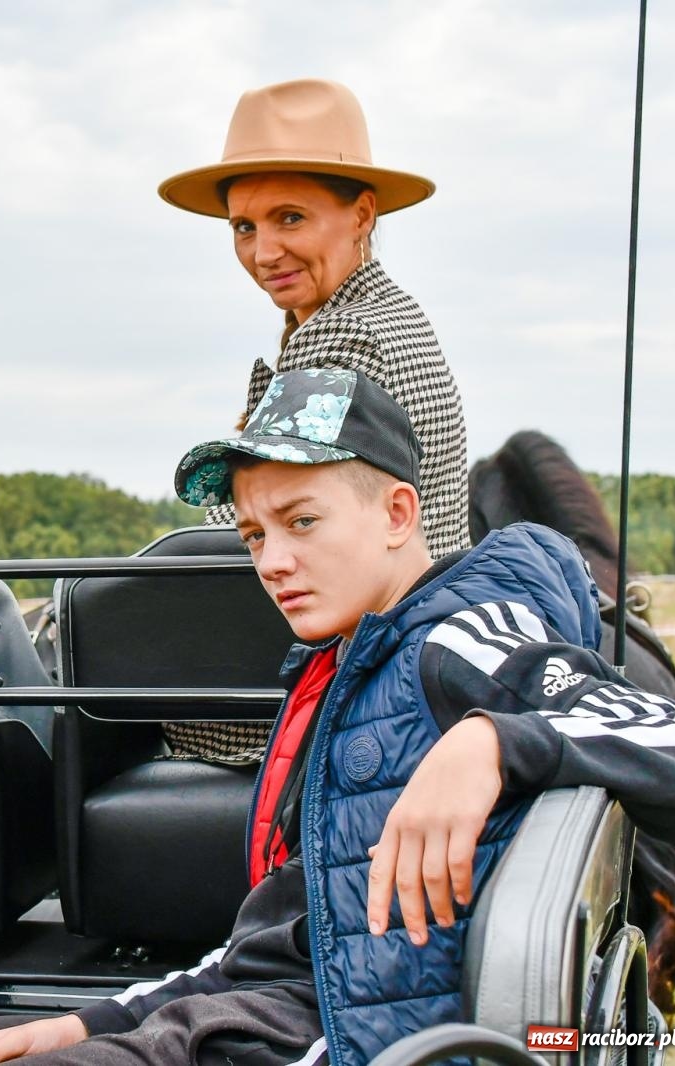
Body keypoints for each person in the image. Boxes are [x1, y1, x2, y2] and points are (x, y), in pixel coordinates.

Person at [0, 368, 675, 1066]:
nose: (270, 561)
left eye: (301, 521)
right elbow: (284, 940)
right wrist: (89, 1022)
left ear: (398, 513)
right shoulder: (350, 678)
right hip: (291, 1015)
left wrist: (494, 739)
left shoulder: (459, 640)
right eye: (255, 535)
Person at [156, 76, 469, 763]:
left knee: (99, 696)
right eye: (245, 226)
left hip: (360, 672)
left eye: (289, 218)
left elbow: (257, 522)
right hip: (413, 639)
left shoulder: (342, 337)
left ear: (362, 215)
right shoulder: (384, 312)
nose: (264, 253)